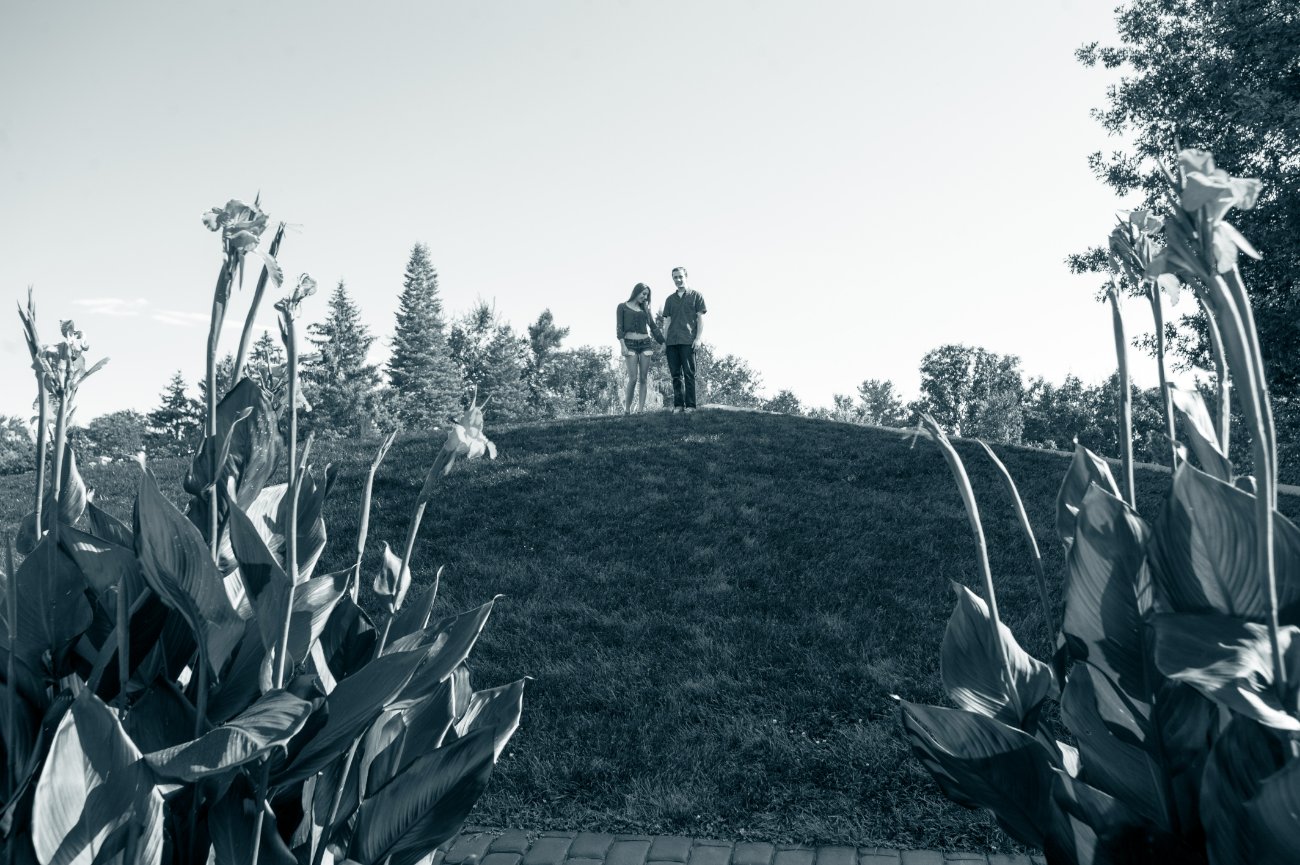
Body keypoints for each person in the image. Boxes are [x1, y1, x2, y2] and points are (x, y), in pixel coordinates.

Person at [660, 266, 707, 413]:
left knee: (689, 374)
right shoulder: (670, 299)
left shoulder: (696, 296)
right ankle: (678, 406)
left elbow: (700, 319)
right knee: (675, 375)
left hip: (688, 340)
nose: (678, 280)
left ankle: (691, 406)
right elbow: (666, 322)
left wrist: (698, 338)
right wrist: (663, 342)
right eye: (675, 277)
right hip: (672, 342)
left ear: (686, 276)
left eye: (680, 276)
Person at [616, 282, 663, 414]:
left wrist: (662, 342)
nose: (645, 297)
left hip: (645, 344)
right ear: (636, 292)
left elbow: (653, 326)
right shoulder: (622, 307)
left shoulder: (645, 310)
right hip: (629, 344)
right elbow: (619, 328)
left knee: (643, 378)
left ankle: (641, 411)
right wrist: (622, 345)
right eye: (643, 294)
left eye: (647, 295)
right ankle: (627, 410)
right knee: (633, 378)